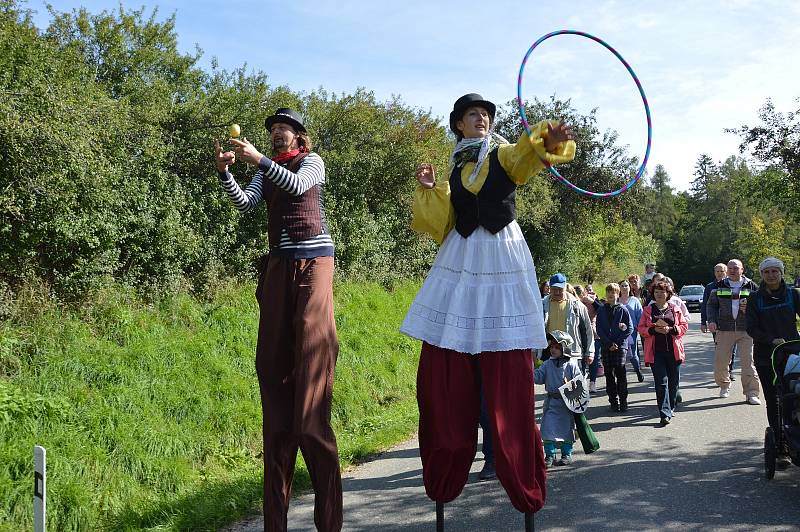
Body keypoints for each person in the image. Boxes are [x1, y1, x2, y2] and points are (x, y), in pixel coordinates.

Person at [400, 93, 576, 521]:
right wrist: (428, 191)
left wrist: (547, 138)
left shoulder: (502, 156)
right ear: (459, 125)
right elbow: (439, 223)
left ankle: (512, 464)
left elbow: (526, 155)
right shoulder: (456, 170)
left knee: (504, 354)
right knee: (451, 349)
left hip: (500, 256)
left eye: (485, 115)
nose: (481, 119)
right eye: (472, 115)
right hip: (461, 261)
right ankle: (452, 460)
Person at [215, 108, 342, 531]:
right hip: (280, 265)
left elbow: (297, 185)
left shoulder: (312, 162)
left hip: (314, 261)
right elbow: (246, 203)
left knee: (311, 337)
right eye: (272, 130)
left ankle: (311, 422)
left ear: (298, 135)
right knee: (271, 364)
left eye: (284, 128)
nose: (277, 133)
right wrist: (226, 174)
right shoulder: (266, 169)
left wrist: (258, 160)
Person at [746, 257, 800, 455]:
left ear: (781, 273)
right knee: (774, 399)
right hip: (766, 356)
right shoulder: (754, 298)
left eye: (774, 271)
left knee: (794, 395)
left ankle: (795, 435)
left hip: (792, 355)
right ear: (761, 274)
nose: (771, 275)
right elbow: (751, 327)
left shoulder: (793, 295)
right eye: (766, 272)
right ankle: (780, 444)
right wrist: (771, 339)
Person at [707, 259, 761, 404]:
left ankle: (752, 393)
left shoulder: (752, 286)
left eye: (735, 268)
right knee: (721, 362)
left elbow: (760, 306)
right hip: (724, 329)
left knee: (748, 362)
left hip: (746, 330)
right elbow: (711, 305)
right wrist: (711, 320)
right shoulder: (719, 285)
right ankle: (724, 385)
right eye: (730, 268)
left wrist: (751, 313)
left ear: (742, 269)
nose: (732, 270)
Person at [638, 281, 688, 425]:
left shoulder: (675, 309)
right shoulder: (647, 310)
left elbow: (684, 326)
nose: (659, 294)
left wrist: (671, 330)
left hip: (674, 351)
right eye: (656, 292)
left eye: (662, 292)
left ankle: (671, 407)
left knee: (673, 383)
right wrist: (653, 329)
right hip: (656, 352)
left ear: (668, 294)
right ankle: (664, 413)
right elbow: (640, 328)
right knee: (661, 383)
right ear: (653, 294)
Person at [534, 330, 583, 468]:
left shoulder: (572, 365)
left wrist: (572, 387)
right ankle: (549, 455)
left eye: (557, 347)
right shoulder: (547, 364)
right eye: (551, 346)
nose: (553, 349)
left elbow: (579, 385)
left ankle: (566, 454)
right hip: (551, 402)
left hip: (566, 403)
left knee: (567, 429)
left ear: (564, 347)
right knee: (547, 429)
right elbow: (538, 377)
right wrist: (528, 370)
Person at [542, 273, 596, 372]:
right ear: (550, 288)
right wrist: (534, 351)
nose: (557, 292)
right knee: (553, 385)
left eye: (560, 289)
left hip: (572, 353)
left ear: (565, 288)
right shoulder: (543, 305)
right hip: (551, 352)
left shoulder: (577, 306)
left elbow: (587, 331)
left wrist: (589, 352)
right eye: (554, 289)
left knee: (574, 386)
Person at [594, 283, 633, 412]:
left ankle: (623, 401)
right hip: (606, 346)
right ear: (606, 294)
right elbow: (599, 328)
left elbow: (629, 329)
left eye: (614, 292)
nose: (611, 295)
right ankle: (613, 401)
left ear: (618, 294)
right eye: (609, 292)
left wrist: (617, 342)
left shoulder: (623, 309)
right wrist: (608, 343)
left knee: (620, 372)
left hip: (620, 346)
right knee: (609, 374)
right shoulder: (601, 310)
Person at [702, 263, 737, 381]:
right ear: (714, 272)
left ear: (726, 272)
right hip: (716, 323)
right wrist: (704, 322)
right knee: (720, 349)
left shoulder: (732, 285)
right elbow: (706, 305)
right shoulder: (710, 287)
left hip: (733, 323)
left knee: (732, 348)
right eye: (717, 271)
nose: (719, 273)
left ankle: (730, 371)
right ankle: (723, 371)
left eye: (722, 271)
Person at [619, 279, 644, 383]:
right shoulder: (616, 300)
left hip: (631, 331)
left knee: (632, 355)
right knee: (620, 355)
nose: (624, 288)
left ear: (629, 288)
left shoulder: (634, 300)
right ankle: (621, 377)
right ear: (619, 288)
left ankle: (638, 370)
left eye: (626, 286)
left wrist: (640, 328)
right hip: (618, 332)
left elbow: (640, 315)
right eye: (622, 286)